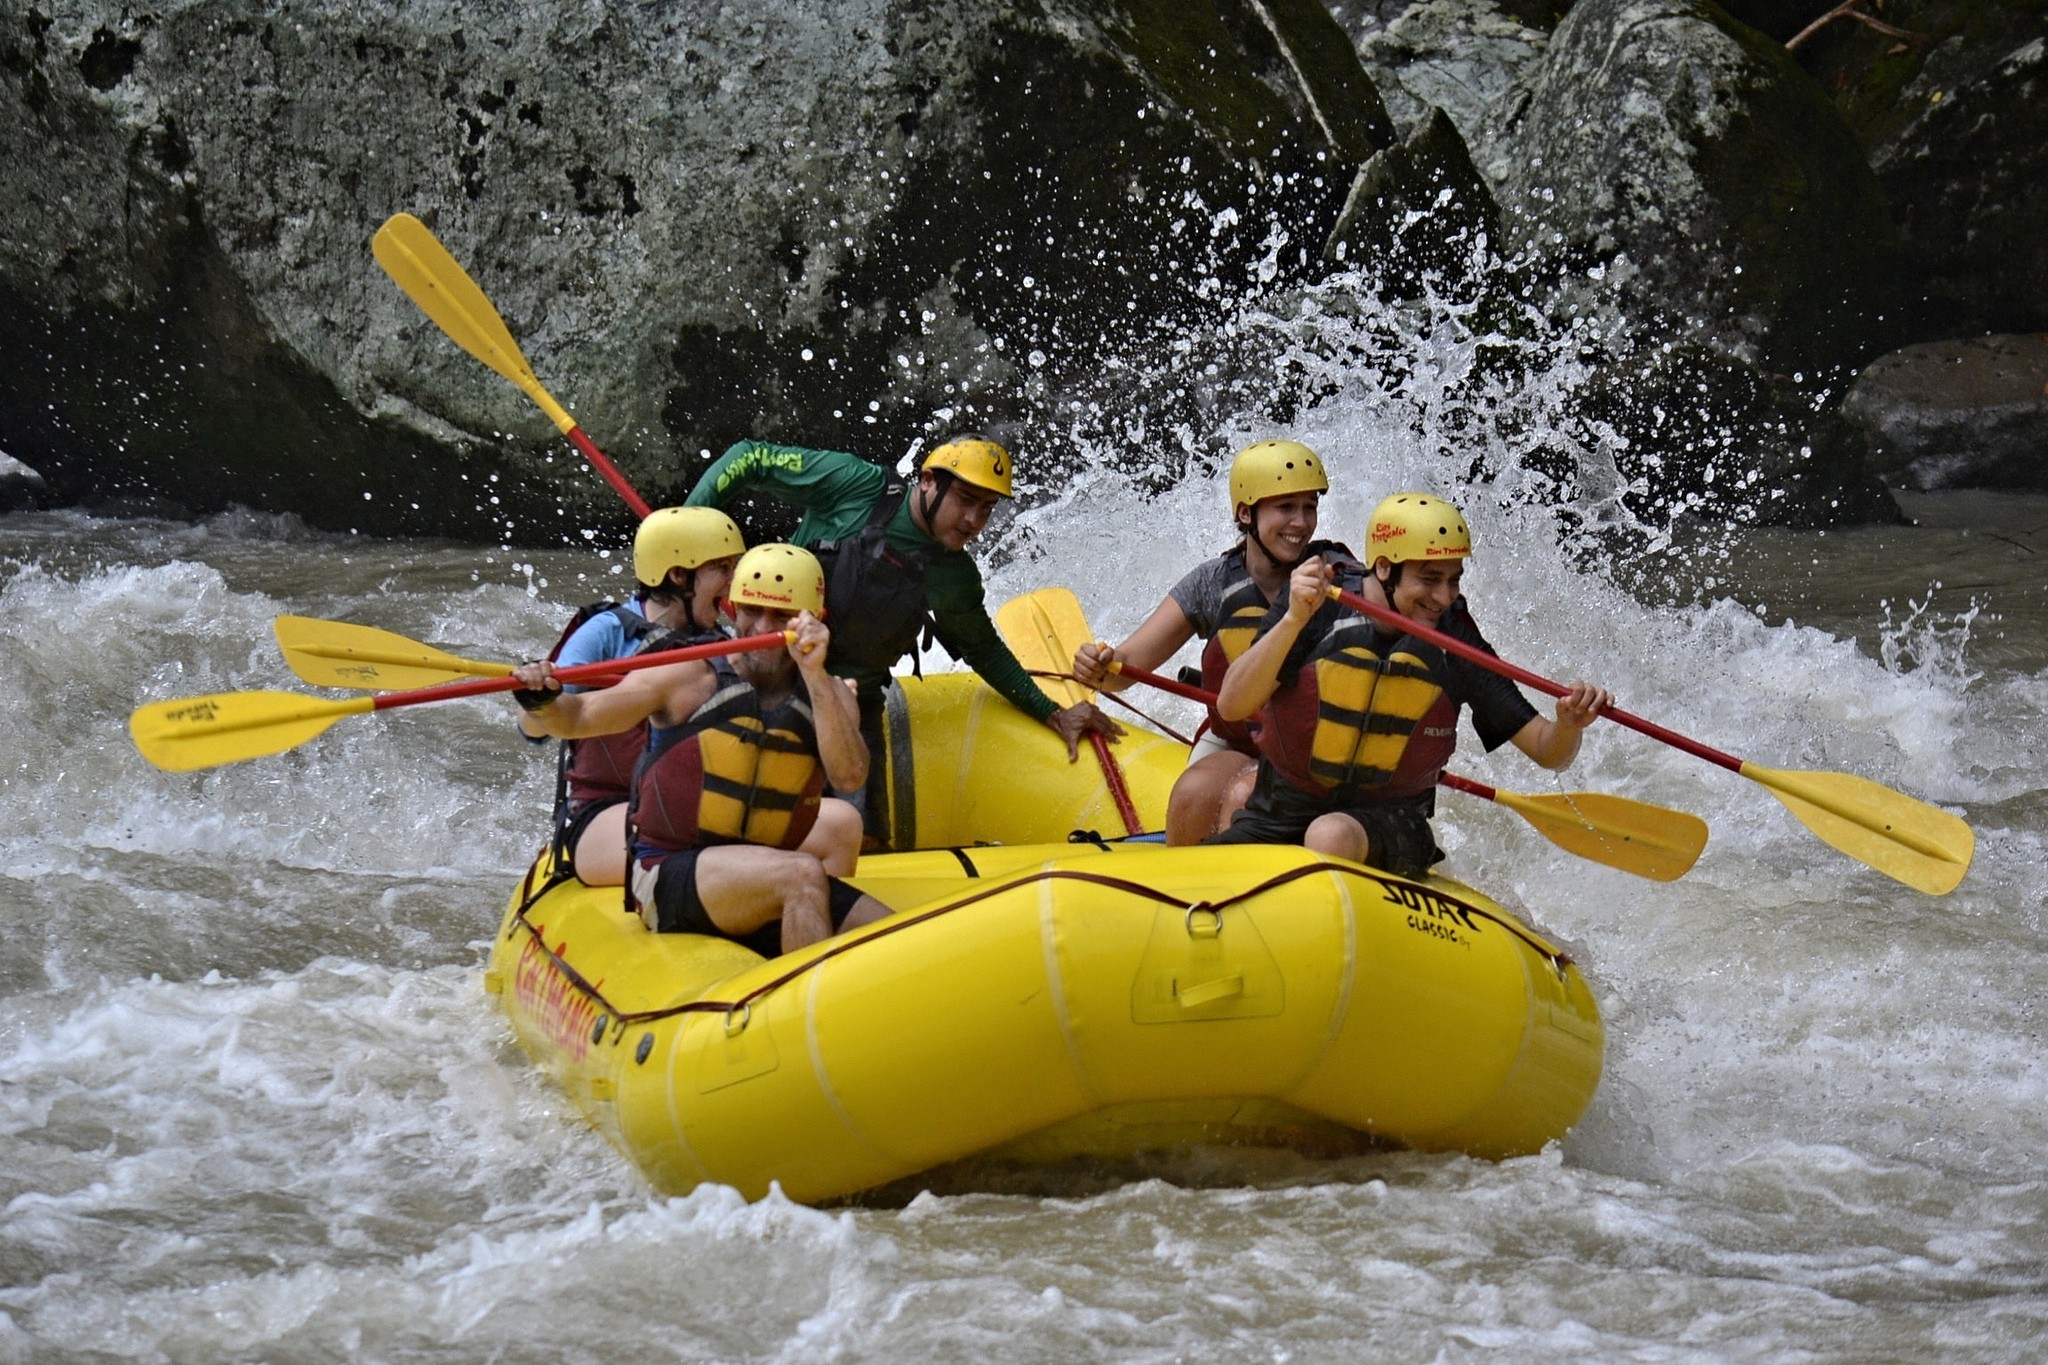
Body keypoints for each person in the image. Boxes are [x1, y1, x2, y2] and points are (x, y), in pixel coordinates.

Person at [685, 434, 1122, 847]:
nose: (973, 520)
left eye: (987, 508)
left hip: (854, 702)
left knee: (867, 844)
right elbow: (749, 457)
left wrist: (1052, 713)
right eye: (965, 500)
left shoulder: (952, 575)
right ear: (928, 482)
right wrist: (686, 540)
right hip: (772, 676)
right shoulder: (857, 485)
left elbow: (983, 649)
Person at [509, 544, 889, 956]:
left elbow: (849, 776)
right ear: (731, 609)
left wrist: (814, 675)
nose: (763, 627)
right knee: (802, 874)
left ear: (814, 621)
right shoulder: (687, 675)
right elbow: (578, 717)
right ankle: (799, 1010)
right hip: (667, 872)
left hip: (753, 871)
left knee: (894, 939)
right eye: (751, 611)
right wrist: (542, 698)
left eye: (782, 616)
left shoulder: (831, 694)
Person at [1208, 492, 1613, 877]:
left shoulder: (1455, 638)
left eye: (1454, 580)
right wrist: (1293, 619)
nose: (1443, 596)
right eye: (1430, 579)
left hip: (1392, 823)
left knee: (1329, 834)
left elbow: (1547, 751)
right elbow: (1232, 705)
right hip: (1280, 810)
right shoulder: (1316, 601)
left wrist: (1569, 723)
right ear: (1384, 568)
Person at [1071, 438, 1345, 844]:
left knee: (1243, 796)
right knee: (1193, 793)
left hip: (1311, 749)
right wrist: (1101, 665)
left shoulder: (1339, 577)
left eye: (1310, 507)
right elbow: (1128, 665)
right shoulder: (1212, 584)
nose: (1301, 522)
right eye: (1286, 507)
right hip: (1236, 738)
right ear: (1245, 513)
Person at [518, 506, 745, 886]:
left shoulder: (724, 643)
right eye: (722, 568)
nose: (732, 581)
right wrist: (536, 696)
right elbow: (535, 729)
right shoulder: (606, 632)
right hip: (609, 810)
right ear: (678, 575)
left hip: (691, 805)